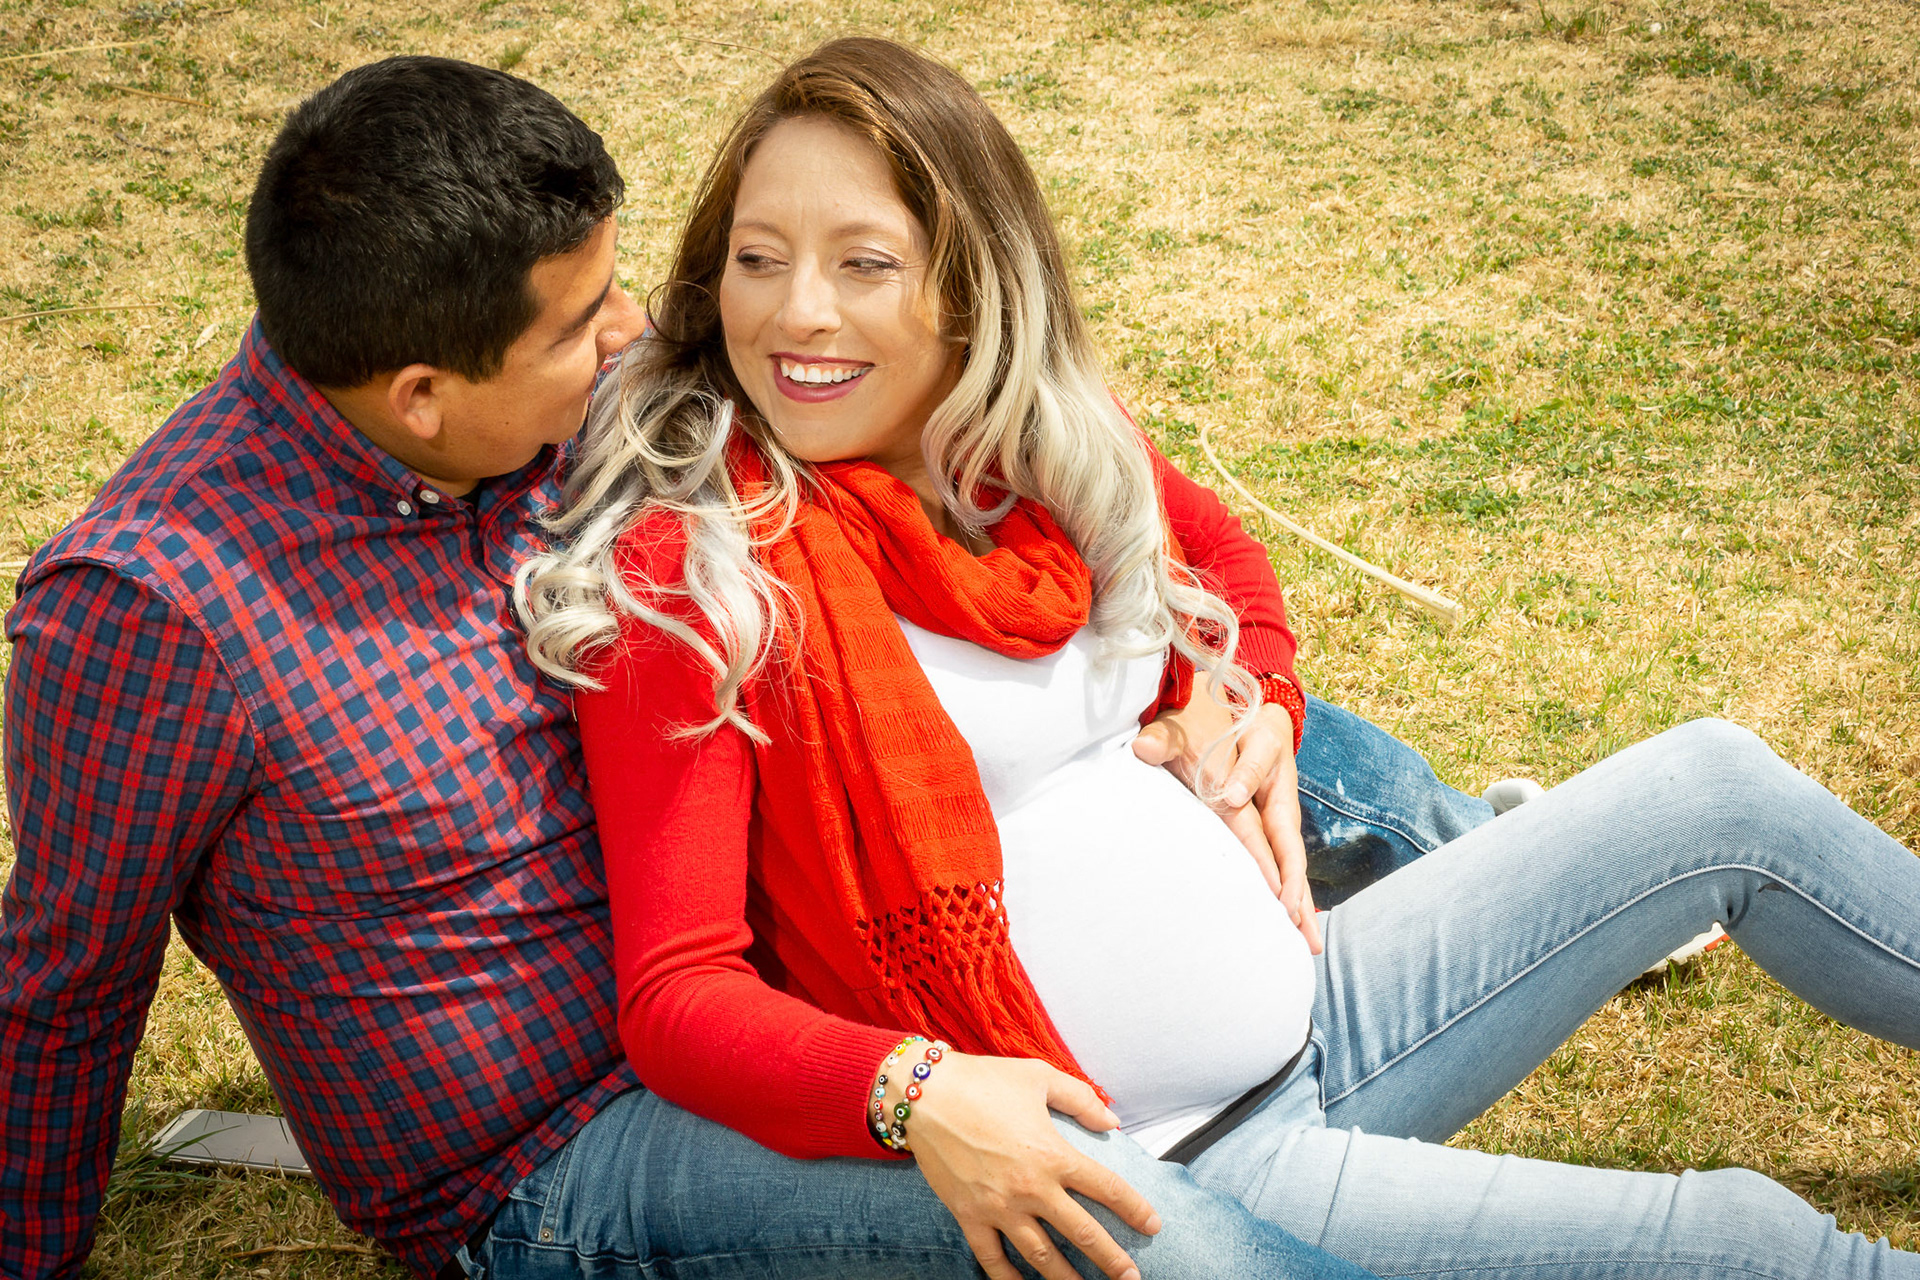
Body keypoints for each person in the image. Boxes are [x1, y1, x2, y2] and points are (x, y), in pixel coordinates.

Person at [0, 53, 1429, 1280]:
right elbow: (63, 987)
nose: (635, 337)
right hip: (563, 1158)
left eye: (618, 288)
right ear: (424, 399)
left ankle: (1450, 852)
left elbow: (1151, 504)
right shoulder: (157, 610)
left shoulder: (562, 387)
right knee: (1094, 1198)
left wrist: (1242, 686)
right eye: (580, 328)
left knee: (1133, 691)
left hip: (782, 981)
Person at [518, 36, 1920, 1280]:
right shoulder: (702, 572)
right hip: (1189, 1159)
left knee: (1719, 788)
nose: (797, 315)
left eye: (863, 262)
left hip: (1332, 1008)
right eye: (758, 260)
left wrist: (1262, 707)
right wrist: (917, 1091)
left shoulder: (1022, 448)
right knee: (1747, 1243)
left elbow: (1226, 560)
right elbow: (678, 997)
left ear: (969, 288)